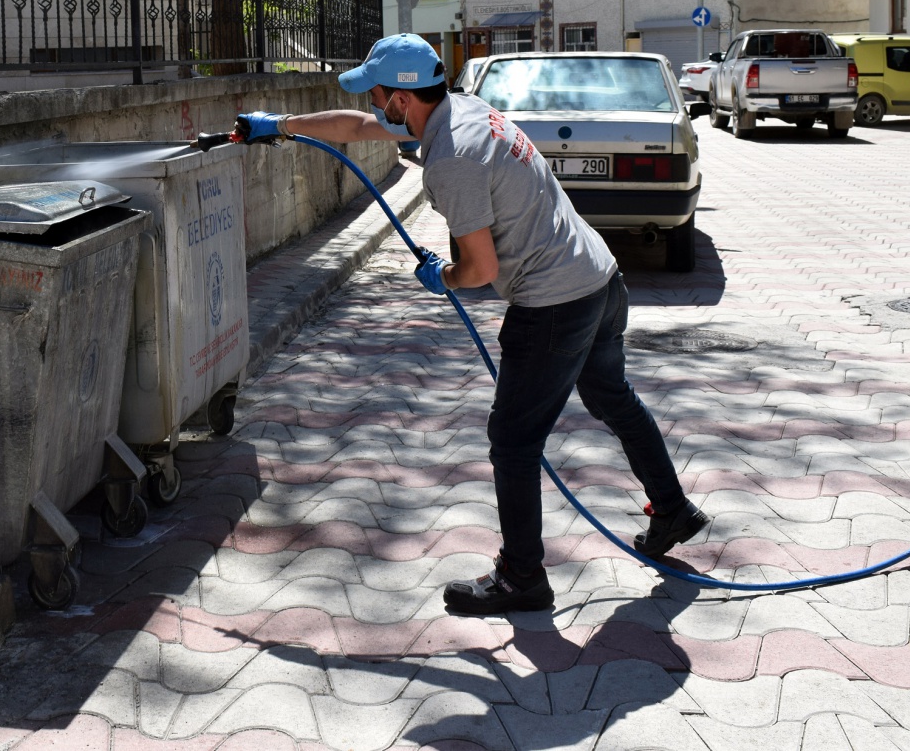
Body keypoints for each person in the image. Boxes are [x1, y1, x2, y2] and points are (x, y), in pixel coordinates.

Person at [232, 34, 709, 617]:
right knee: (613, 398)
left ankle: (522, 578)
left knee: (513, 441)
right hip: (600, 277)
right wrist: (279, 125)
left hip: (554, 303)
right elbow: (357, 128)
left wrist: (445, 276)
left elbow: (480, 269)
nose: (375, 103)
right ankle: (673, 509)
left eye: (379, 93)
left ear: (403, 100)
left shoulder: (452, 157)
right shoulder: (463, 110)